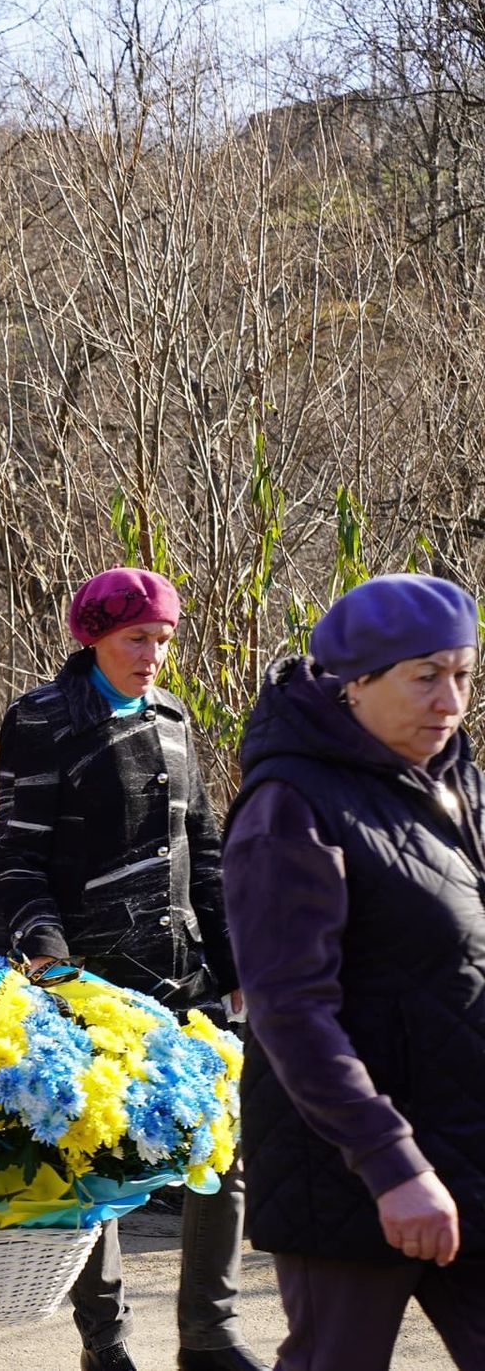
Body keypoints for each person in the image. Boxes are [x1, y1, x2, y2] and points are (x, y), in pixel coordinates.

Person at [0, 567, 260, 1371]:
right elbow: (18, 858)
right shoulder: (43, 720)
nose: (152, 655)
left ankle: (209, 1336)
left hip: (186, 975)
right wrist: (48, 958)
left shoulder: (174, 716)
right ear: (93, 637)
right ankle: (105, 1346)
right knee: (99, 1159)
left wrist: (233, 961)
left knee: (220, 1149)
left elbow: (204, 852)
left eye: (163, 640)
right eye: (136, 638)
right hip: (92, 981)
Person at [223, 574, 485, 1369]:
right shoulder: (289, 805)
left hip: (466, 1151)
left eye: (464, 675)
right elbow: (290, 1010)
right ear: (355, 685)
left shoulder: (454, 781)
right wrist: (391, 1165)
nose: (450, 700)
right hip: (346, 1171)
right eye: (426, 675)